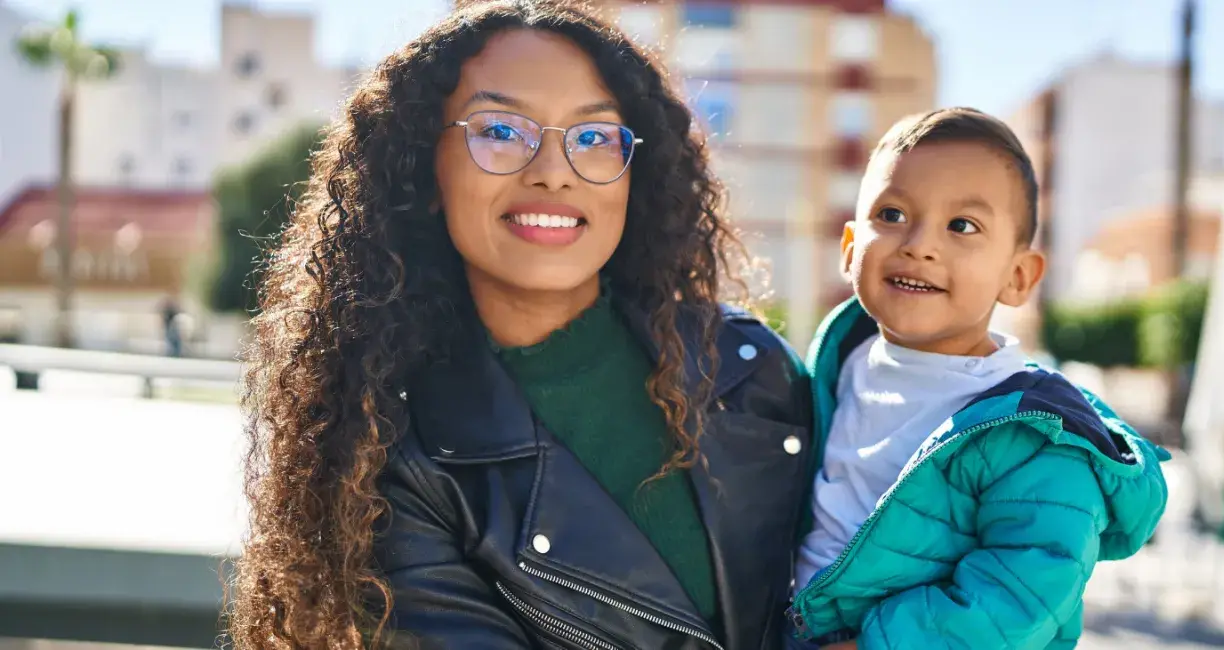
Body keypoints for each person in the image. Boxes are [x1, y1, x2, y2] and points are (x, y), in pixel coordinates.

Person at [228, 2, 813, 648]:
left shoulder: (752, 368)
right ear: (426, 171)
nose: (553, 172)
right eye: (501, 131)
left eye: (593, 137)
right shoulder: (393, 457)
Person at [786, 108, 1171, 649]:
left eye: (962, 226)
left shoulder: (1036, 433)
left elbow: (1023, 592)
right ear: (851, 250)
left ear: (1017, 277)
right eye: (892, 214)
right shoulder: (836, 364)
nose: (920, 244)